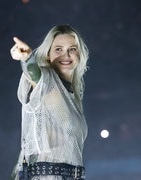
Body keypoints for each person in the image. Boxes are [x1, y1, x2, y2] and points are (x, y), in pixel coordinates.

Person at [10, 24, 89, 180]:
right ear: (47, 55)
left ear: (79, 54)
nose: (66, 55)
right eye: (58, 49)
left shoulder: (73, 96)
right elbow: (35, 76)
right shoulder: (46, 84)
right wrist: (27, 58)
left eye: (72, 49)